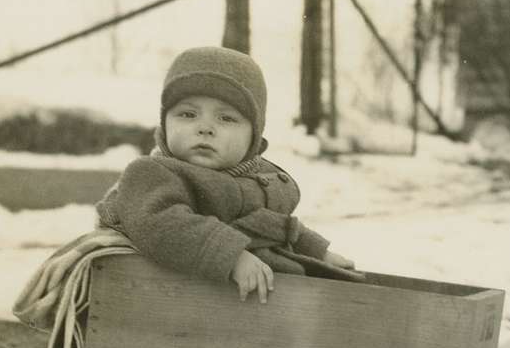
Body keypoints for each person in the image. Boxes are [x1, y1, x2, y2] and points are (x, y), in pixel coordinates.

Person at [96, 46, 359, 303]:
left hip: (270, 305)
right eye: (188, 114)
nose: (205, 128)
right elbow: (161, 224)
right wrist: (231, 255)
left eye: (226, 119)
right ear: (164, 123)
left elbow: (274, 225)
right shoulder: (153, 174)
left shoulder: (260, 177)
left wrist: (317, 251)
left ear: (253, 136)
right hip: (173, 305)